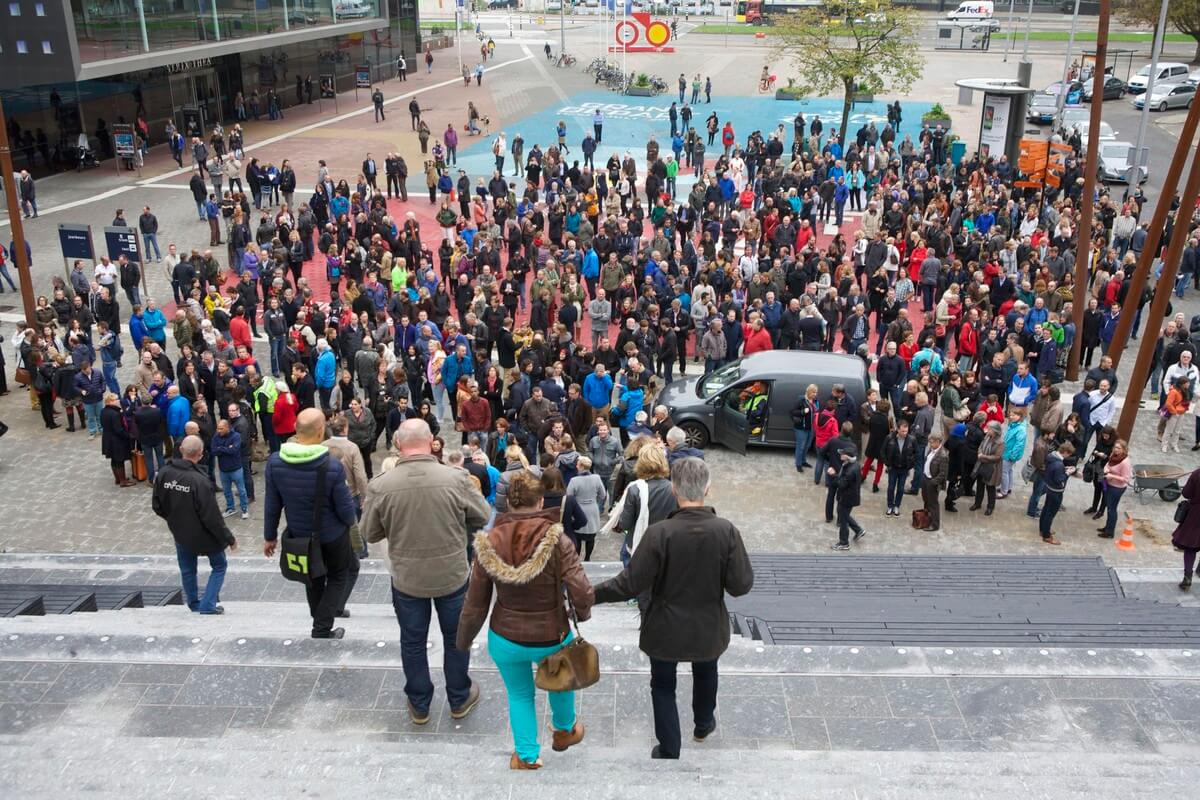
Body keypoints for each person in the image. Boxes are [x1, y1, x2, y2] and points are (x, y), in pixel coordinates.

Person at [592, 458, 754, 760]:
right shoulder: (726, 531)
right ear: (708, 488)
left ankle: (669, 746)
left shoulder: (659, 533)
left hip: (664, 627)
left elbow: (628, 584)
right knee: (707, 671)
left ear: (674, 489)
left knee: (663, 684)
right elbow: (741, 585)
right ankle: (703, 724)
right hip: (707, 626)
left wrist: (589, 595)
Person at [456, 469, 595, 770]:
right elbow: (582, 591)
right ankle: (564, 730)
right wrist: (581, 614)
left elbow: (475, 601)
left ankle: (527, 756)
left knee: (519, 694)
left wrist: (464, 639)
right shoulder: (557, 540)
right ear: (541, 500)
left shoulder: (488, 542)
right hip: (552, 633)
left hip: (505, 635)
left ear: (505, 504)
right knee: (560, 681)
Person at [361, 419, 490, 724]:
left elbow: (369, 534)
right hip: (452, 575)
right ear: (432, 441)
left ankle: (420, 704)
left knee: (412, 641)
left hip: (407, 578)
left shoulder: (381, 485)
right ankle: (459, 697)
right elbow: (483, 515)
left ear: (397, 443)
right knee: (457, 637)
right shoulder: (456, 478)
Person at [263, 408, 359, 639]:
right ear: (320, 432)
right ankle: (322, 626)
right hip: (333, 535)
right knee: (338, 575)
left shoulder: (275, 462)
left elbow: (272, 504)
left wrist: (270, 536)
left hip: (299, 535)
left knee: (313, 578)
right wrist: (353, 529)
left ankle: (320, 619)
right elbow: (346, 510)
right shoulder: (332, 466)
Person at [152, 434, 237, 615]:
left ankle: (193, 602)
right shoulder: (200, 481)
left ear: (181, 449)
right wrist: (228, 538)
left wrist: (174, 519)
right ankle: (208, 603)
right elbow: (211, 517)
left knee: (187, 569)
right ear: (200, 454)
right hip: (204, 534)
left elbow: (157, 505)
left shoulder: (165, 473)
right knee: (219, 566)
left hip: (180, 532)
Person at [1039, 441, 1075, 546]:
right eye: (1069, 454)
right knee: (1051, 513)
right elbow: (1059, 479)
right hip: (1056, 491)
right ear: (1065, 452)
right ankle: (1046, 535)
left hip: (1049, 488)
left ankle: (1043, 529)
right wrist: (1068, 473)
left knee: (1046, 509)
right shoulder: (1059, 464)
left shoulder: (1051, 457)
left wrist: (1064, 470)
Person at [830, 445, 866, 551]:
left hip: (846, 498)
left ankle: (844, 543)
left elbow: (841, 484)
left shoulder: (850, 470)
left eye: (842, 453)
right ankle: (858, 530)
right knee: (844, 515)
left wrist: (833, 475)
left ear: (847, 456)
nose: (840, 454)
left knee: (843, 520)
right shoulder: (853, 464)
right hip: (850, 497)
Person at [1097, 439, 1133, 539]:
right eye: (1115, 447)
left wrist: (1112, 476)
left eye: (1118, 448)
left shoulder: (1125, 462)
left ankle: (1109, 532)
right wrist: (1106, 470)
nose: (1116, 449)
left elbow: (1126, 479)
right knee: (1109, 508)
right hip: (1109, 484)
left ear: (1124, 450)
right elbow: (1107, 464)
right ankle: (1107, 527)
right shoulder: (1114, 455)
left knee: (1112, 509)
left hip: (1117, 488)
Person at [100, 391, 136, 487]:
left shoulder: (103, 411)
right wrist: (128, 435)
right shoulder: (115, 414)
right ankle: (123, 481)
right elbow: (118, 429)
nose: (118, 400)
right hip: (116, 441)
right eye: (116, 399)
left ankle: (118, 479)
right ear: (110, 401)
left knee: (114, 460)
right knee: (119, 460)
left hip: (108, 439)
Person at [1173, 465, 1200, 590]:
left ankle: (1187, 577)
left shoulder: (1197, 474)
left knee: (1191, 547)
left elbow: (1186, 493)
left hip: (1196, 514)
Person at [970, 421, 1003, 515]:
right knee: (980, 485)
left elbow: (997, 457)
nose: (987, 430)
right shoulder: (987, 436)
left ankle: (990, 507)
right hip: (981, 464)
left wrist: (983, 456)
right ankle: (977, 503)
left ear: (995, 431)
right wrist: (980, 453)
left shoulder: (1000, 443)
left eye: (989, 429)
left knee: (990, 488)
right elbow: (980, 446)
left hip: (991, 468)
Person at [919, 432, 948, 531]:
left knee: (933, 504)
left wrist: (933, 482)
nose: (930, 444)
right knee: (926, 501)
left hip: (932, 482)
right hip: (925, 478)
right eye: (929, 442)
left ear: (938, 442)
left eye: (932, 442)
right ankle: (926, 520)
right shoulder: (931, 450)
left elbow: (943, 474)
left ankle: (935, 525)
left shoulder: (943, 455)